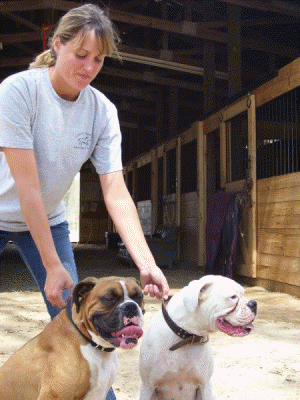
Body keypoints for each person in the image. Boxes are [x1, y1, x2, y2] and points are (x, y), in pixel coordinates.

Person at [0, 4, 169, 400]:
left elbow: (115, 190)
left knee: (79, 320)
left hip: (49, 218)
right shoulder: (19, 91)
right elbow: (27, 187)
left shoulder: (102, 111)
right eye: (80, 54)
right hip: (16, 206)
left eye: (99, 59)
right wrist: (52, 264)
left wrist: (147, 263)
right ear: (57, 44)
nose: (89, 67)